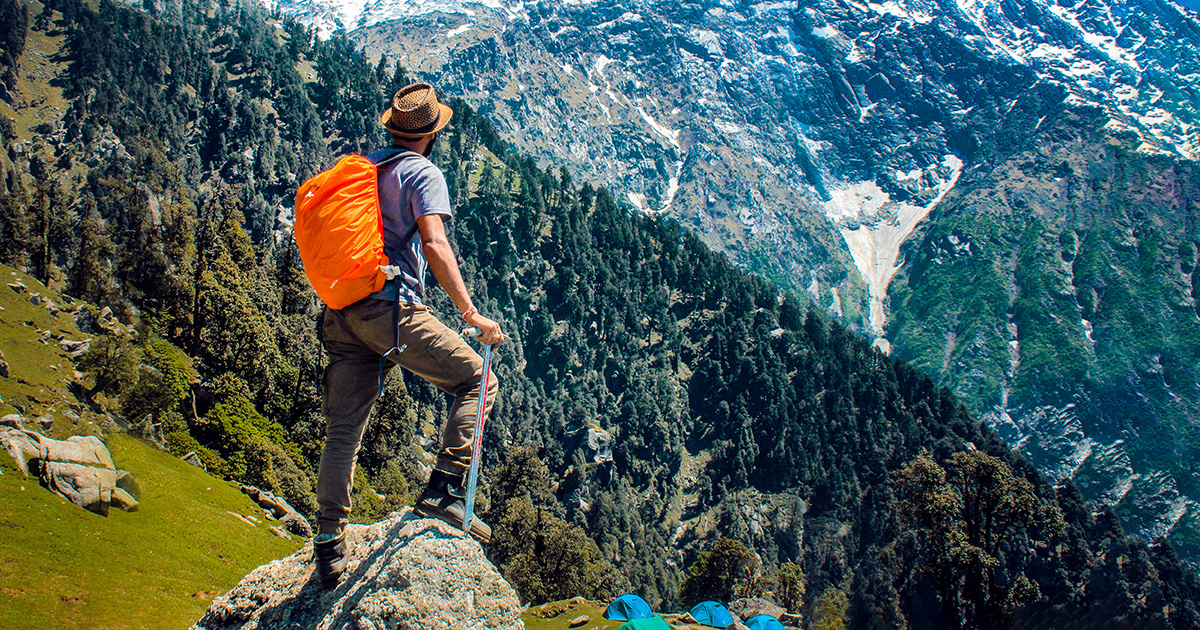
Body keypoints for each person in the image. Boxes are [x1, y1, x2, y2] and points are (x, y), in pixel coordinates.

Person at [312, 82, 504, 587]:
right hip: (389, 308)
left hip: (342, 311)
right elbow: (435, 243)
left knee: (343, 431)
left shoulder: (367, 169)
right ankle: (443, 493)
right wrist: (470, 313)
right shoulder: (422, 171)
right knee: (476, 381)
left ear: (392, 128)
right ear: (432, 134)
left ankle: (329, 545)